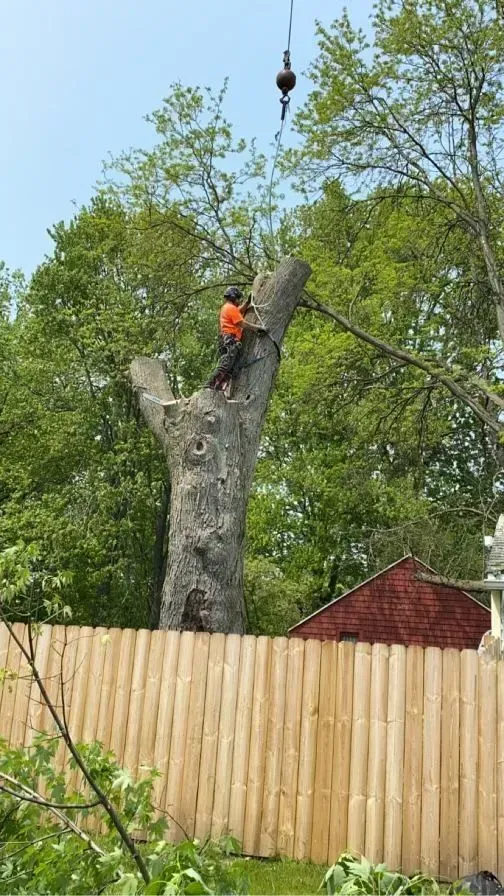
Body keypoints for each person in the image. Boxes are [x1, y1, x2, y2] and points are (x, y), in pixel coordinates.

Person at [205, 286, 266, 391]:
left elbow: (239, 311)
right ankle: (209, 386)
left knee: (232, 368)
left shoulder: (229, 308)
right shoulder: (230, 308)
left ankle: (218, 388)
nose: (239, 301)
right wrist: (258, 328)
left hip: (229, 340)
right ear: (234, 297)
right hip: (230, 339)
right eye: (238, 299)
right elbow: (240, 322)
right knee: (226, 364)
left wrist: (247, 303)